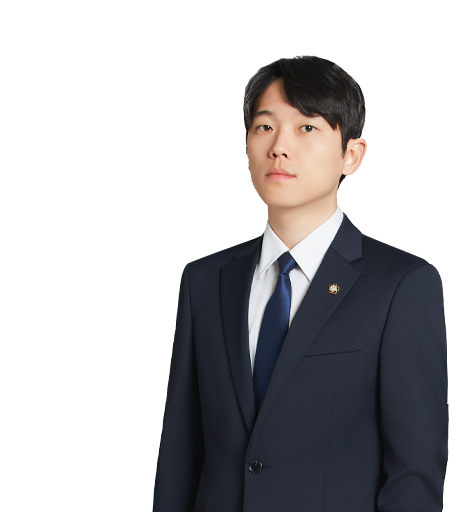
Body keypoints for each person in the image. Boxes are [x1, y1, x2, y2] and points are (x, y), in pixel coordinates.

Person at [152, 55, 448, 512]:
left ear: (351, 154)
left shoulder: (401, 285)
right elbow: (180, 455)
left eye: (306, 127)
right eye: (264, 127)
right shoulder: (204, 281)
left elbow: (414, 472)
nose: (279, 147)